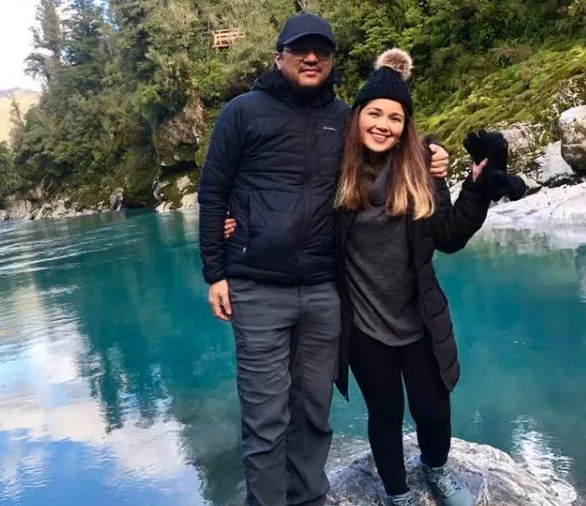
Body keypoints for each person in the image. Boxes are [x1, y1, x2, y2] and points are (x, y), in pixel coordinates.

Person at [223, 49, 528, 506]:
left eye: (396, 117)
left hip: (420, 317)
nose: (384, 124)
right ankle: (398, 492)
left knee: (433, 407)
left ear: (407, 127)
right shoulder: (335, 173)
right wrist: (237, 220)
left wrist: (478, 189)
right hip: (364, 325)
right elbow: (287, 200)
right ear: (357, 117)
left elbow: (448, 236)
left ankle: (436, 468)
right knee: (384, 413)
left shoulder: (422, 171)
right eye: (375, 113)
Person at [197, 12, 452, 506]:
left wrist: (432, 152)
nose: (311, 58)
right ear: (280, 56)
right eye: (299, 50)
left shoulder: (343, 118)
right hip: (255, 285)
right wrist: (215, 272)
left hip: (322, 289)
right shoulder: (242, 112)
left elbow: (388, 142)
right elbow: (213, 192)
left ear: (332, 61)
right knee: (266, 419)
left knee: (313, 411)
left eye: (322, 51)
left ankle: (311, 497)